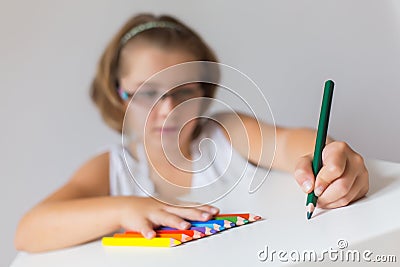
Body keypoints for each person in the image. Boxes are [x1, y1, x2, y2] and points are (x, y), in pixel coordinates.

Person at [14, 13, 369, 252]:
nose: (167, 109)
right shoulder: (114, 171)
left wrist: (334, 157)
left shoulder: (228, 134)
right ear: (117, 94)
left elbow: (298, 144)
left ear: (204, 89)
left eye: (182, 91)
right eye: (146, 92)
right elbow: (28, 231)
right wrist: (126, 208)